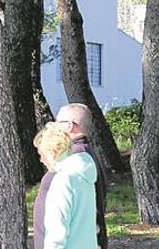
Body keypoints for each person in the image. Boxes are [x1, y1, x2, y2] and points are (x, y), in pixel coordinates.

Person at [33, 103, 109, 249]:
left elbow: (57, 233)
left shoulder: (67, 172)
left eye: (57, 123)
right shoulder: (84, 161)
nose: (53, 127)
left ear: (68, 126)